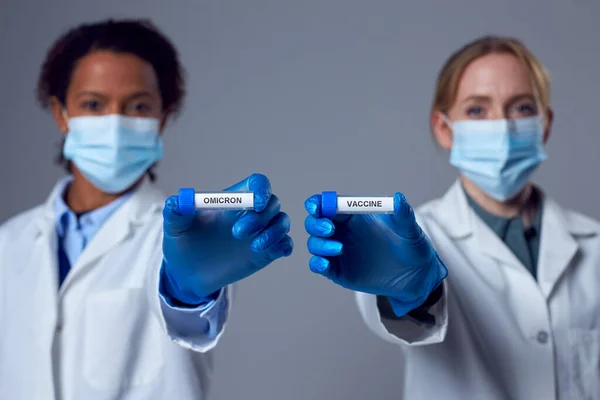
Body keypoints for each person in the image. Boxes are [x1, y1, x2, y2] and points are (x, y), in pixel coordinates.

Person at [0, 19, 293, 400]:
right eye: (93, 104)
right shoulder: (9, 244)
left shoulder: (178, 235)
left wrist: (186, 291)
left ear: (163, 117)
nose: (116, 122)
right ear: (61, 113)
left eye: (138, 106)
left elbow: (185, 318)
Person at [304, 35, 600, 399]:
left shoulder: (594, 245)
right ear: (444, 128)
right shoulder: (419, 238)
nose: (502, 127)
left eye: (521, 108)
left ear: (545, 124)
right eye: (477, 110)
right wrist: (412, 296)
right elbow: (410, 323)